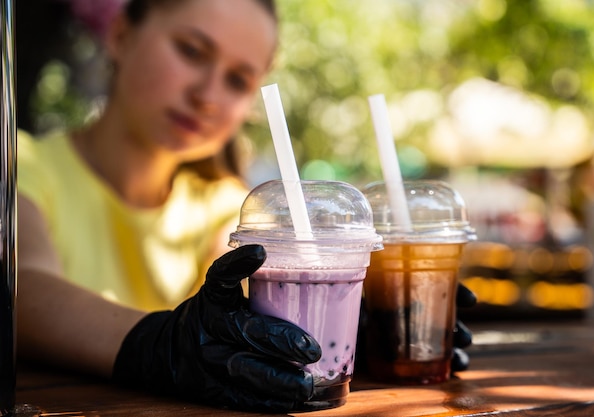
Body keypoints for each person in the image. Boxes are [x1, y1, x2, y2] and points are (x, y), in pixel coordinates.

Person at [16, 0, 474, 412]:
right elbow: (20, 291)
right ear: (120, 35)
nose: (208, 95)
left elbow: (260, 313)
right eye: (192, 51)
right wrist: (159, 346)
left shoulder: (226, 207)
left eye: (238, 79)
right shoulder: (21, 166)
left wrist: (357, 326)